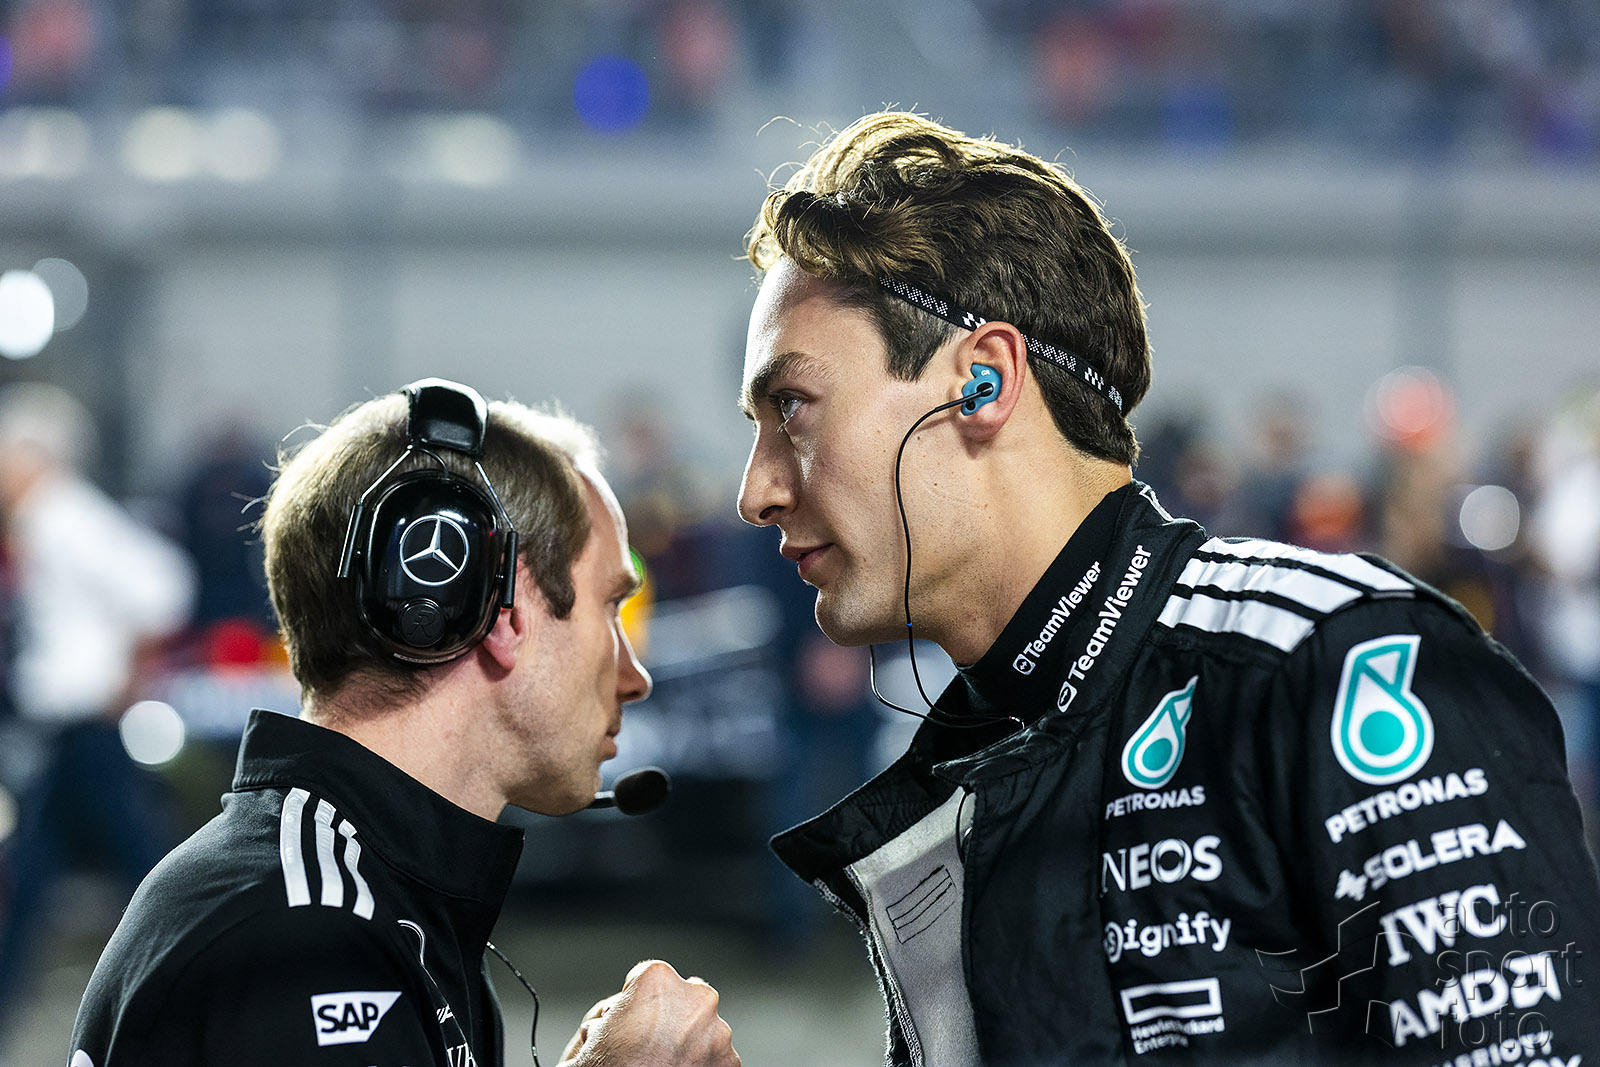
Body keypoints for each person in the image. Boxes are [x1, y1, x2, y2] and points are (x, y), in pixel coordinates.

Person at [734, 112, 1600, 1065]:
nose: (755, 490)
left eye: (792, 407)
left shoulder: (1339, 664)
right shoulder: (973, 770)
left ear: (982, 383)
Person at [71, 380, 739, 1067]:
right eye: (610, 607)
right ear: (506, 613)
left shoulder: (343, 899)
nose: (635, 674)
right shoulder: (309, 936)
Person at [0, 383, 194, 1045]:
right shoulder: (45, 517)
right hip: (66, 731)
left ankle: (193, 984)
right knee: (36, 876)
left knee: (140, 871)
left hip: (85, 730)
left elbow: (163, 584)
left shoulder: (62, 515)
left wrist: (127, 679)